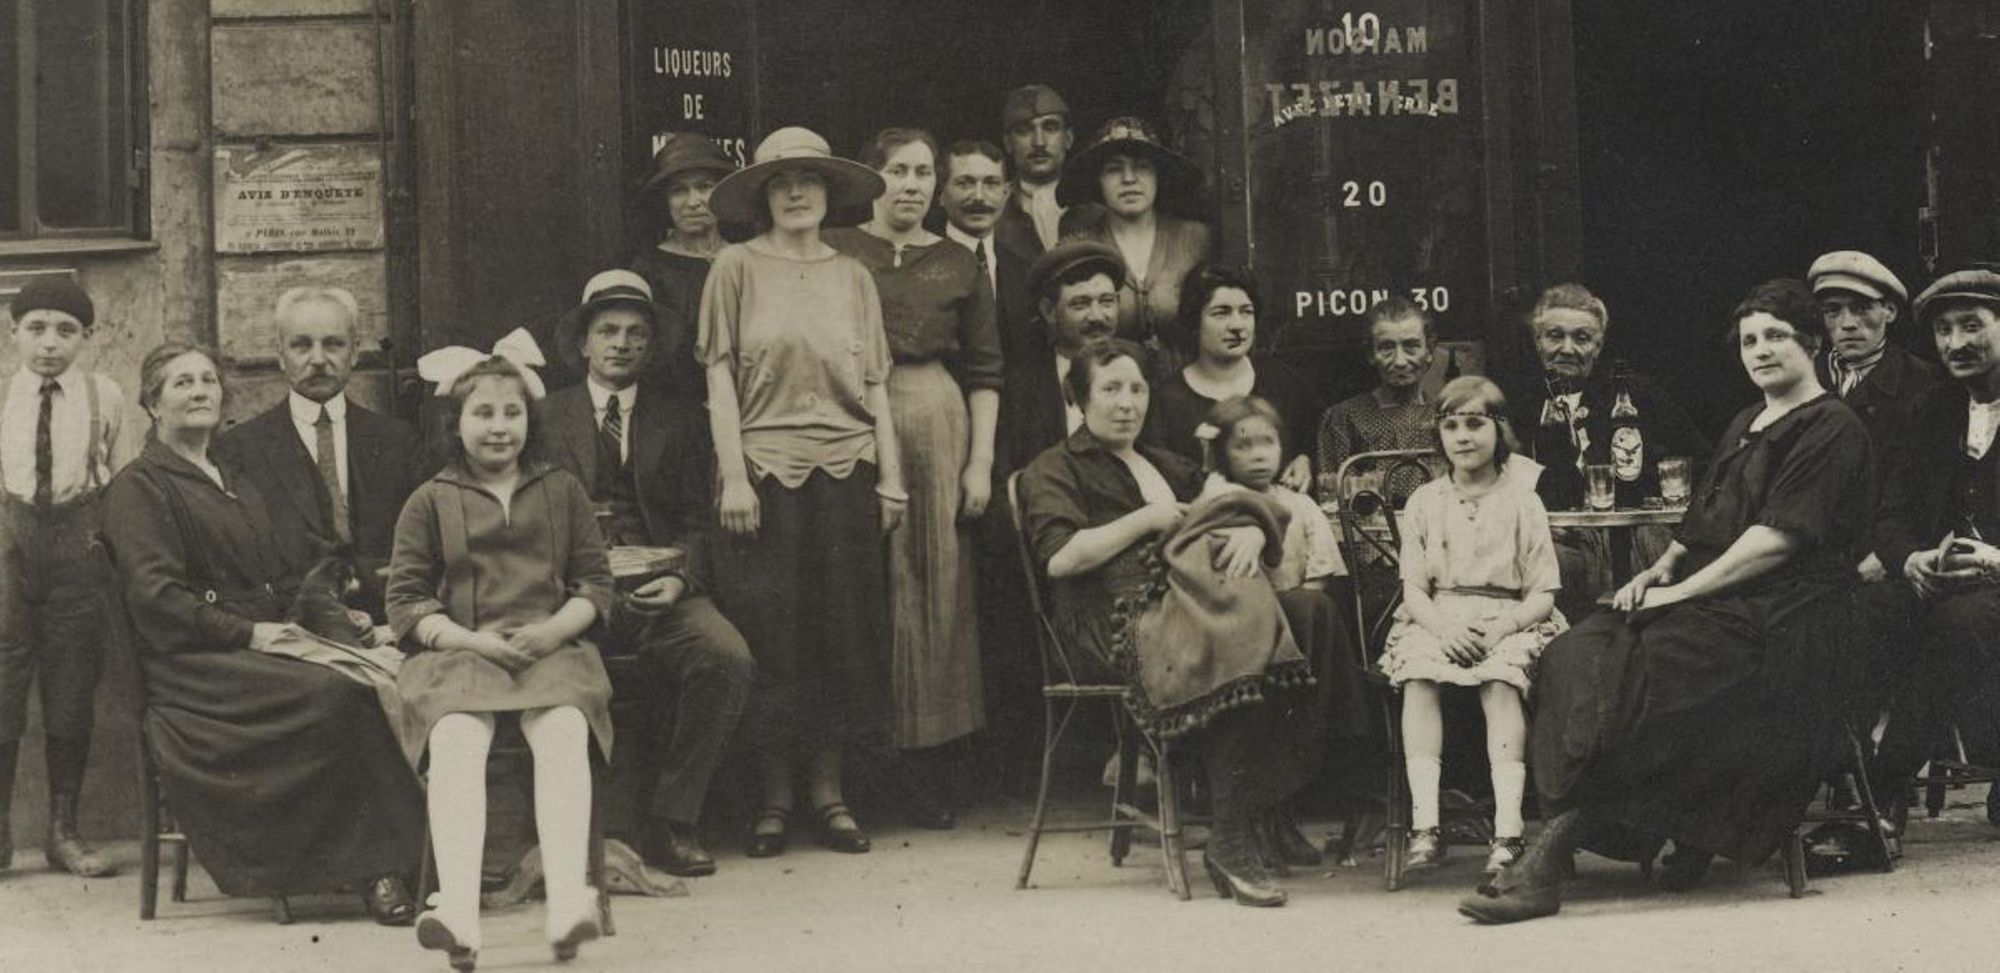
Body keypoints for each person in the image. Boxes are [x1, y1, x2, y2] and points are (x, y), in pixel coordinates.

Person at [1463, 280, 1879, 925]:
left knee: (1647, 665)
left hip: (1788, 614)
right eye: (1749, 340)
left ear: (1812, 343)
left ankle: (1548, 858)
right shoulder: (1747, 422)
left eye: (1776, 337)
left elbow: (1776, 541)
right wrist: (1656, 571)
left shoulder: (1831, 426)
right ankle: (1595, 836)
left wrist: (1678, 593)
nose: (1760, 351)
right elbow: (1700, 521)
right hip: (1718, 599)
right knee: (1578, 648)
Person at [102, 341, 423, 924]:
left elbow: (283, 577)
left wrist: (345, 631)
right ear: (152, 405)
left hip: (246, 647)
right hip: (192, 669)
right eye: (181, 384)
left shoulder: (234, 477)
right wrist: (251, 635)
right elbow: (158, 598)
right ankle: (377, 868)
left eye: (207, 381)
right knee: (337, 694)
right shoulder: (141, 486)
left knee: (378, 675)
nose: (199, 391)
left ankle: (413, 858)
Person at [1021, 340, 1318, 907]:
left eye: (1136, 389)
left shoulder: (1165, 463)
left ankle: (1261, 808)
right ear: (1080, 398)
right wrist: (1147, 519)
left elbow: (1240, 498)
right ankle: (1233, 835)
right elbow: (1061, 558)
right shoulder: (1054, 468)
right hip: (1109, 623)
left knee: (1305, 615)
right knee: (1241, 635)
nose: (1126, 402)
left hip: (1179, 608)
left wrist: (1256, 528)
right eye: (1110, 389)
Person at [699, 126, 904, 858]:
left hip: (847, 475)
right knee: (772, 635)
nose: (795, 192)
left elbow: (876, 383)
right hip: (764, 477)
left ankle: (831, 793)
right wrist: (732, 473)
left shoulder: (853, 275)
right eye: (780, 181)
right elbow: (718, 376)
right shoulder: (734, 267)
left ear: (829, 192)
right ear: (760, 195)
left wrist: (892, 477)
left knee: (840, 635)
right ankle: (774, 798)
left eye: (809, 180)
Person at [390, 349, 613, 969]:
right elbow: (405, 603)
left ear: (528, 421)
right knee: (459, 736)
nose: (498, 426)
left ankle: (570, 901)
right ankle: (458, 911)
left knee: (564, 729)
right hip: (464, 652)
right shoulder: (429, 500)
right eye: (482, 412)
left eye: (511, 412)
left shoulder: (562, 491)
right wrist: (469, 640)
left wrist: (552, 631)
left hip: (551, 648)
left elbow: (596, 584)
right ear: (455, 424)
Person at [543, 269, 752, 876]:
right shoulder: (542, 417)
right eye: (607, 331)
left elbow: (699, 519)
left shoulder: (682, 419)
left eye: (637, 333)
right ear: (583, 342)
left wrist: (682, 578)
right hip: (569, 595)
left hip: (661, 587)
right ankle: (562, 832)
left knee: (726, 656)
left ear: (652, 346)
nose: (621, 343)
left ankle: (673, 820)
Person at [827, 128, 1002, 828]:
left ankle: (926, 767)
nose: (911, 185)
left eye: (924, 172)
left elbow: (987, 370)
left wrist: (980, 460)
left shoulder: (959, 262)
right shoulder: (839, 248)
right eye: (897, 170)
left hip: (936, 415)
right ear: (873, 177)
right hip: (848, 412)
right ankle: (864, 767)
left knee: (937, 581)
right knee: (868, 580)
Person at [1375, 377, 1565, 886]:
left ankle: (1507, 830)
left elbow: (1545, 592)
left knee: (1501, 682)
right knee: (1417, 677)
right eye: (1450, 424)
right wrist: (1441, 626)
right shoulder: (1424, 501)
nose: (1463, 436)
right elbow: (1414, 589)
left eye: (1476, 423)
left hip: (1508, 618)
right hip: (1439, 617)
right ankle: (1425, 824)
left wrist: (1505, 625)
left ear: (1500, 429)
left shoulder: (1523, 500)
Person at [1195, 394, 1369, 868]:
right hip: (1238, 643)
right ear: (1221, 454)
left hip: (1297, 646)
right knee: (1308, 618)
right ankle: (1262, 816)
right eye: (1243, 446)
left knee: (1313, 608)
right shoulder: (1215, 506)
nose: (1258, 455)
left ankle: (1277, 814)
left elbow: (1318, 579)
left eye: (1267, 442)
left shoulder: (1300, 505)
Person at [1863, 268, 2000, 819]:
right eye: (1944, 330)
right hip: (1944, 584)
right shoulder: (1932, 411)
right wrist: (1912, 559)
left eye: (1973, 325)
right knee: (1866, 612)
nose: (1956, 343)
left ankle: (1884, 785)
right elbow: (1891, 514)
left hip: (1988, 590)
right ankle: (1832, 777)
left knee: (1961, 623)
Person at [0, 277, 124, 877]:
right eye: (36, 328)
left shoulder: (105, 397)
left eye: (66, 331)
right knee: (1, 692)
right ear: (13, 331)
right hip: (7, 557)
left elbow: (114, 478)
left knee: (72, 693)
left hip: (77, 558)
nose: (50, 343)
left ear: (87, 337)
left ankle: (62, 831)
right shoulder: (2, 395)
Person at [215, 285, 429, 613]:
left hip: (389, 616)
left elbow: (422, 545)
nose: (318, 360)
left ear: (355, 352)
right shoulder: (240, 449)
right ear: (280, 354)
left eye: (333, 344)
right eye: (301, 345)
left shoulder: (398, 441)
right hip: (292, 622)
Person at [1509, 283, 1709, 614]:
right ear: (1537, 342)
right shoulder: (1520, 404)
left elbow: (1701, 462)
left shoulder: (1635, 396)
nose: (1567, 348)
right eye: (1555, 336)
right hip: (1552, 540)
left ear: (1598, 347)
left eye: (1582, 338)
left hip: (1632, 539)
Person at [1807, 250, 1939, 581]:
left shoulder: (1927, 383)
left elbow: (1933, 490)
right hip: (1808, 551)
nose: (1848, 323)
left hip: (1880, 558)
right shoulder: (1804, 377)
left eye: (1862, 308)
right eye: (1832, 311)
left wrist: (1891, 553)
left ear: (1890, 312)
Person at [1144, 265, 1316, 489]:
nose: (1237, 326)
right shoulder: (1166, 402)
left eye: (1246, 311)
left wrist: (1306, 460)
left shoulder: (1283, 384)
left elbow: (1311, 443)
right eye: (1221, 313)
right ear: (1195, 322)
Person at [1056, 116, 1215, 359]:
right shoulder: (1079, 246)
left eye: (1142, 167)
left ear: (1157, 176)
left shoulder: (1196, 240)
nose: (1129, 179)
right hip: (1110, 389)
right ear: (1098, 180)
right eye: (1114, 169)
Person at [626, 132, 739, 400]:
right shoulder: (649, 269)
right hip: (679, 409)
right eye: (679, 190)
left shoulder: (745, 259)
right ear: (665, 202)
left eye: (704, 186)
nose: (692, 201)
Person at [1314, 296, 1440, 490]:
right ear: (1371, 355)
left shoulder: (1445, 416)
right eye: (1387, 348)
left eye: (1411, 346)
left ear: (1429, 352)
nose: (1400, 361)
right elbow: (1333, 496)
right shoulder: (1343, 418)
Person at [997, 84, 1087, 259]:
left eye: (1050, 127)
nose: (1039, 142)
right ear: (1008, 143)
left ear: (1068, 139)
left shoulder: (1095, 210)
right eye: (1024, 130)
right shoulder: (994, 210)